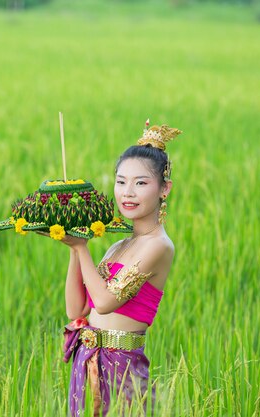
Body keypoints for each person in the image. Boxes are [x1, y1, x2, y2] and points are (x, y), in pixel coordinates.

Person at [53, 120, 181, 416]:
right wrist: (75, 245)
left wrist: (83, 248)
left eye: (140, 183)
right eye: (121, 181)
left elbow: (108, 302)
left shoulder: (159, 246)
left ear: (164, 189)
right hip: (88, 360)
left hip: (122, 367)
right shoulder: (117, 247)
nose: (128, 192)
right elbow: (77, 310)